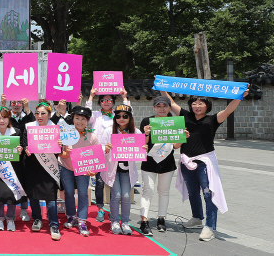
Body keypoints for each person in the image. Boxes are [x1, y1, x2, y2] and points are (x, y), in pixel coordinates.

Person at [162, 88, 249, 241]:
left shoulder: (212, 119)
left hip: (205, 163)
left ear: (207, 106)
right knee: (192, 192)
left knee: (209, 194)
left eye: (200, 103)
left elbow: (228, 110)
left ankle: (210, 227)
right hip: (186, 161)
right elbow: (172, 102)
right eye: (194, 103)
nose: (197, 106)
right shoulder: (185, 116)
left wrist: (240, 96)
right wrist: (162, 87)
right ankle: (197, 218)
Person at [138, 96, 189, 236]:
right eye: (158, 106)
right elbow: (142, 145)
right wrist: (146, 134)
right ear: (154, 107)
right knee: (147, 191)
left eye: (165, 106)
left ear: (169, 108)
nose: (162, 109)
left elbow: (176, 146)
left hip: (167, 162)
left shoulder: (174, 123)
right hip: (149, 162)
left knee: (164, 192)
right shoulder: (147, 121)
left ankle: (161, 219)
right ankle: (144, 220)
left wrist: (183, 137)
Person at [85, 88, 130, 222]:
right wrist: (91, 96)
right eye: (103, 100)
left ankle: (112, 210)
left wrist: (124, 97)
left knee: (112, 182)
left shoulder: (118, 115)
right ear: (100, 102)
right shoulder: (95, 115)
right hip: (99, 151)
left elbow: (129, 113)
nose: (106, 102)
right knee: (99, 182)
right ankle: (100, 209)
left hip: (114, 152)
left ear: (113, 102)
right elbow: (87, 115)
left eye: (109, 100)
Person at [21, 101, 61, 240]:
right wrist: (25, 148)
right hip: (32, 166)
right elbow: (24, 142)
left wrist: (60, 145)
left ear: (49, 115)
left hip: (49, 167)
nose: (39, 116)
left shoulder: (55, 128)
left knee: (50, 198)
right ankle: (37, 219)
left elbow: (60, 150)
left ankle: (54, 224)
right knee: (33, 196)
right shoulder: (29, 127)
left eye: (43, 113)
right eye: (37, 113)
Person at [102, 104, 143, 235]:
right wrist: (106, 148)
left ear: (130, 118)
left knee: (126, 196)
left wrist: (143, 149)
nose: (121, 118)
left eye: (125, 116)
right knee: (116, 195)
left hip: (127, 170)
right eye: (118, 116)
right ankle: (114, 222)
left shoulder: (136, 132)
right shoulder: (109, 131)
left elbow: (140, 151)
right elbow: (101, 148)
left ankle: (125, 222)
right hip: (112, 168)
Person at [58, 106, 99, 237]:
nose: (80, 121)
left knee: (83, 193)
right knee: (68, 192)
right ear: (72, 119)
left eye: (83, 119)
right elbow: (60, 154)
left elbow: (96, 157)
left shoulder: (92, 136)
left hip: (83, 169)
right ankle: (71, 216)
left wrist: (94, 171)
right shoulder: (65, 134)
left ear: (87, 121)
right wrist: (66, 153)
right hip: (66, 166)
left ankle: (82, 220)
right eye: (77, 118)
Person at [0, 94, 34, 221]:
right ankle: (9, 210)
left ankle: (24, 209)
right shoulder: (7, 118)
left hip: (25, 155)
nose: (16, 105)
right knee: (10, 181)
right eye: (13, 102)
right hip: (9, 155)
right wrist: (3, 105)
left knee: (24, 182)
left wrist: (27, 107)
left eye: (19, 102)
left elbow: (33, 124)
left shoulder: (28, 117)